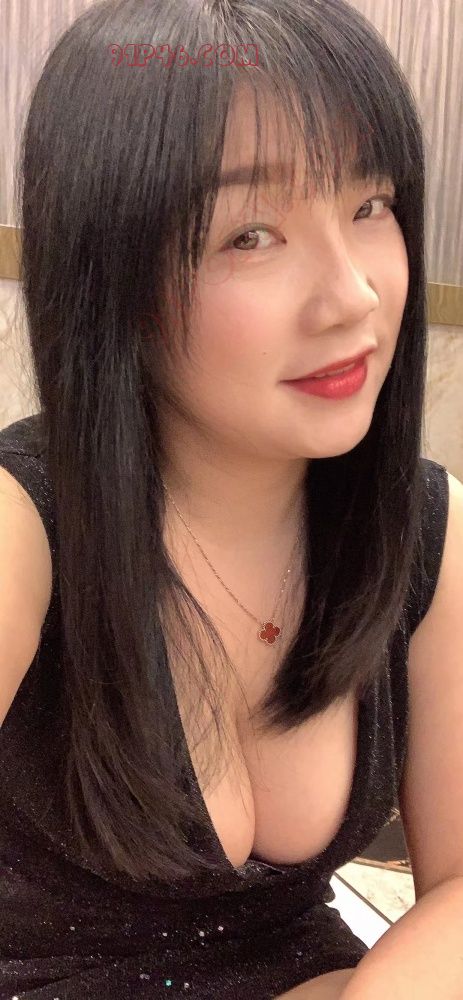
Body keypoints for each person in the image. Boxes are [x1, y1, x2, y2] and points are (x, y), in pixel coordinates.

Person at [0, 0, 451, 997]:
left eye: (370, 204)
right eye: (251, 233)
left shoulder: (422, 530)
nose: (354, 295)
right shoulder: (21, 527)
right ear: (110, 271)